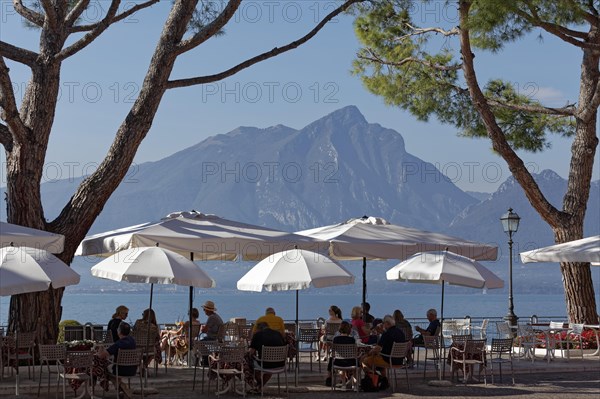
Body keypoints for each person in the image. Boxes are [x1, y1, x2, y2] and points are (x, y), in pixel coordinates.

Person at [361, 315, 406, 382]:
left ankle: (378, 379)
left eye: (383, 323)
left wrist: (367, 354)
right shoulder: (400, 332)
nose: (383, 325)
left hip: (388, 360)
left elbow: (377, 349)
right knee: (378, 359)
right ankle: (383, 379)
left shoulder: (387, 334)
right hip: (400, 360)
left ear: (387, 323)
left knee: (364, 361)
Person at [98, 322, 136, 398]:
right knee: (112, 367)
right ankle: (121, 388)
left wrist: (100, 346)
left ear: (119, 331)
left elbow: (101, 356)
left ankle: (121, 386)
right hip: (133, 369)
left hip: (120, 370)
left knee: (103, 369)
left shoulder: (118, 344)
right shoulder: (132, 341)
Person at [248, 322, 286, 389]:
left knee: (250, 362)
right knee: (270, 362)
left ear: (259, 329)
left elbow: (251, 353)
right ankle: (259, 387)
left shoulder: (258, 335)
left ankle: (259, 384)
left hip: (265, 364)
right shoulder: (278, 334)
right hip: (280, 364)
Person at [324, 321, 356, 387]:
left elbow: (333, 352)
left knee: (331, 358)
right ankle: (354, 384)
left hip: (338, 362)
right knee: (358, 361)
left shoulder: (336, 339)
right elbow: (355, 352)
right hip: (350, 362)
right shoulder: (352, 340)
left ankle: (330, 378)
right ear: (349, 330)